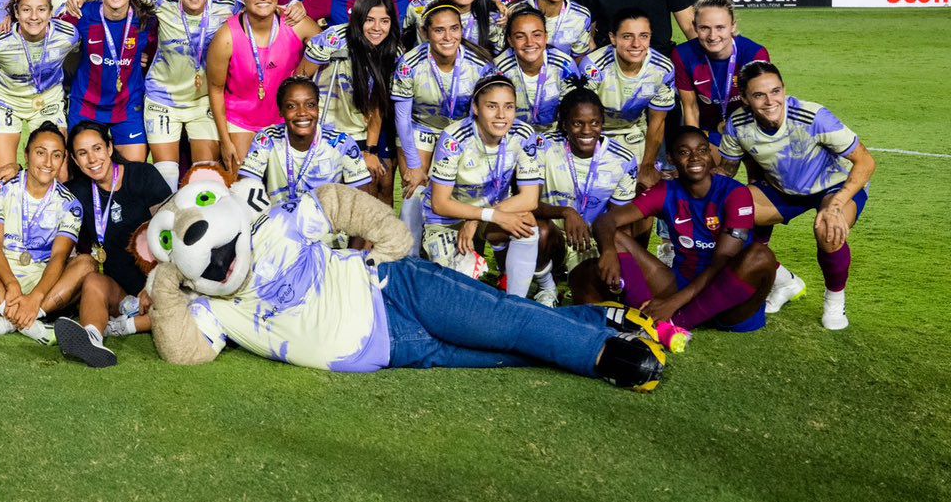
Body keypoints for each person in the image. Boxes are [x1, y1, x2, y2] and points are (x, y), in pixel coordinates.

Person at [138, 172, 668, 390]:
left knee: (505, 321)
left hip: (393, 289)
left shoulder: (272, 224)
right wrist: (165, 284)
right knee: (510, 348)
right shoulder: (208, 308)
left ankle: (607, 356)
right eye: (197, 267)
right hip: (397, 349)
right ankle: (600, 319)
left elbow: (336, 202)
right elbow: (186, 354)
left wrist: (393, 242)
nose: (218, 264)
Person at [717, 60, 875, 330]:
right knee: (731, 210)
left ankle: (835, 301)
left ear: (784, 89)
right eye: (759, 95)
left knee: (828, 227)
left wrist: (836, 205)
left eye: (776, 91)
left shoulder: (813, 116)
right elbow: (725, 172)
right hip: (784, 188)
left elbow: (866, 162)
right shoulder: (738, 124)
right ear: (744, 98)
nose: (770, 101)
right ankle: (784, 281)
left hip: (835, 185)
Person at [596, 125, 779, 353]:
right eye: (684, 152)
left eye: (702, 150)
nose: (695, 157)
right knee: (615, 238)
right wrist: (608, 251)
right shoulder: (666, 191)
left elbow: (722, 262)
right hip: (681, 283)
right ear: (672, 158)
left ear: (711, 155)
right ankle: (644, 317)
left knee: (761, 256)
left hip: (730, 299)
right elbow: (607, 221)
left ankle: (672, 323)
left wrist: (674, 304)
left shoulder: (736, 193)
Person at [0, 123, 94, 345]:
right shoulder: (1, 187)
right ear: (26, 155)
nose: (48, 163)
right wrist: (11, 285)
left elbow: (59, 257)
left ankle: (18, 319)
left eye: (56, 155)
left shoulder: (70, 204)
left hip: (43, 291)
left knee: (87, 264)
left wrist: (36, 298)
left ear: (64, 159)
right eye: (40, 153)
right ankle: (29, 324)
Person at [54, 121, 171, 368]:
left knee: (189, 307)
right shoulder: (78, 192)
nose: (92, 159)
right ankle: (92, 337)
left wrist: (154, 284)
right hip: (122, 293)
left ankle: (119, 328)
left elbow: (172, 236)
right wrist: (16, 168)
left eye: (97, 148)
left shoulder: (142, 175)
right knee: (93, 281)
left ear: (109, 147)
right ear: (74, 160)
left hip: (162, 285)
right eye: (82, 153)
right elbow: (42, 191)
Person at [422, 75, 543, 298]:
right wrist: (486, 215)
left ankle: (515, 302)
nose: (501, 115)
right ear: (476, 108)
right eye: (492, 106)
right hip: (448, 220)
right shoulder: (454, 138)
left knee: (527, 223)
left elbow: (529, 199)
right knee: (456, 291)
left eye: (509, 107)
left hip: (490, 214)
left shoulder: (524, 134)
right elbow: (440, 203)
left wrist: (479, 218)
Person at [392, 2, 492, 248]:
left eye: (454, 29)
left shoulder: (480, 64)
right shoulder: (409, 64)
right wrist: (414, 166)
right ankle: (410, 256)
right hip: (421, 127)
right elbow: (402, 118)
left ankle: (464, 253)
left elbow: (483, 116)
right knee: (414, 189)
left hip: (463, 131)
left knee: (461, 189)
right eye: (439, 30)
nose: (448, 37)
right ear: (425, 33)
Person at [207, 0, 319, 175]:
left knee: (286, 190)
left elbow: (326, 47)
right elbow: (215, 89)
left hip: (284, 120)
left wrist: (302, 73)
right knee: (242, 190)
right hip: (240, 122)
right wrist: (225, 140)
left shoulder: (295, 23)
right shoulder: (226, 36)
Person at [530, 88, 639, 305]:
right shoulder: (543, 146)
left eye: (595, 123)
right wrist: (565, 212)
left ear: (602, 123)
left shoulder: (623, 159)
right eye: (577, 123)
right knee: (539, 231)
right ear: (564, 124)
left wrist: (611, 252)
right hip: (553, 237)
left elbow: (620, 220)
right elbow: (528, 203)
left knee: (591, 304)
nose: (587, 130)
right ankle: (546, 285)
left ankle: (575, 279)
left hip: (591, 243)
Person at [301, 0, 402, 193]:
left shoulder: (393, 51)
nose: (377, 28)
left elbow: (377, 107)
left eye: (384, 21)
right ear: (357, 19)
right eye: (369, 20)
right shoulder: (333, 39)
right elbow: (299, 82)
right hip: (323, 129)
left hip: (358, 132)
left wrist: (370, 150)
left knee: (368, 189)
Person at [145, 0, 234, 184]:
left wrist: (293, 7)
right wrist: (83, 0)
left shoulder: (227, 8)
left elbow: (263, 11)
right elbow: (122, 2)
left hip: (203, 101)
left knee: (204, 179)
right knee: (166, 179)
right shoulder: (161, 3)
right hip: (162, 100)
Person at [0, 0, 80, 177]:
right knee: (4, 174)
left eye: (41, 10)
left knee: (59, 175)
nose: (34, 17)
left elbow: (76, 59)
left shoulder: (68, 35)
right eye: (26, 10)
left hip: (48, 101)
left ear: (51, 12)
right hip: (4, 101)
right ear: (16, 13)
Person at [66, 0, 155, 164]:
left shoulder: (147, 20)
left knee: (133, 171)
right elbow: (45, 30)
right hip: (86, 106)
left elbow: (159, 52)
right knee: (82, 172)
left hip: (127, 106)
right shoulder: (81, 14)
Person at [571, 7, 677, 180]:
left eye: (644, 36)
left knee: (642, 187)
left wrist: (648, 165)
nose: (636, 44)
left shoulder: (662, 69)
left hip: (633, 133)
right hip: (595, 134)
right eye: (627, 36)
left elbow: (658, 121)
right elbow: (582, 117)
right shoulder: (593, 66)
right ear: (613, 38)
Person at [240, 75, 373, 203]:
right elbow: (244, 189)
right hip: (279, 222)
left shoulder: (341, 142)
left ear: (317, 108)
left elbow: (362, 200)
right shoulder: (268, 139)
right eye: (291, 106)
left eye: (310, 105)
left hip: (326, 224)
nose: (302, 112)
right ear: (281, 111)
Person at [672, 0, 769, 140]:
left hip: (749, 127)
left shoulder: (755, 55)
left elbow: (762, 105)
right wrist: (696, 145)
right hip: (709, 130)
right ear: (694, 27)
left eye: (720, 27)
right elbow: (690, 108)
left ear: (733, 26)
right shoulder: (682, 55)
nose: (712, 36)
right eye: (704, 28)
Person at [493, 6, 573, 139]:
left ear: (546, 37)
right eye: (520, 37)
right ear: (510, 41)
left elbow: (574, 111)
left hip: (555, 136)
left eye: (536, 35)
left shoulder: (564, 65)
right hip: (511, 136)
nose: (529, 42)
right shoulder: (499, 68)